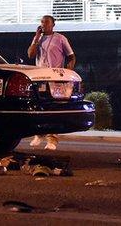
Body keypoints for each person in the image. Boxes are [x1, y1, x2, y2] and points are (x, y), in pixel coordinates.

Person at [26, 14, 76, 151]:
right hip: (40, 77)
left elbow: (71, 57)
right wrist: (36, 38)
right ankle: (38, 133)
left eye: (47, 22)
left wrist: (67, 72)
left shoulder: (60, 38)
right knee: (38, 105)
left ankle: (52, 138)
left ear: (53, 24)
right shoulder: (38, 38)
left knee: (53, 107)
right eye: (42, 22)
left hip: (55, 78)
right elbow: (30, 54)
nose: (43, 25)